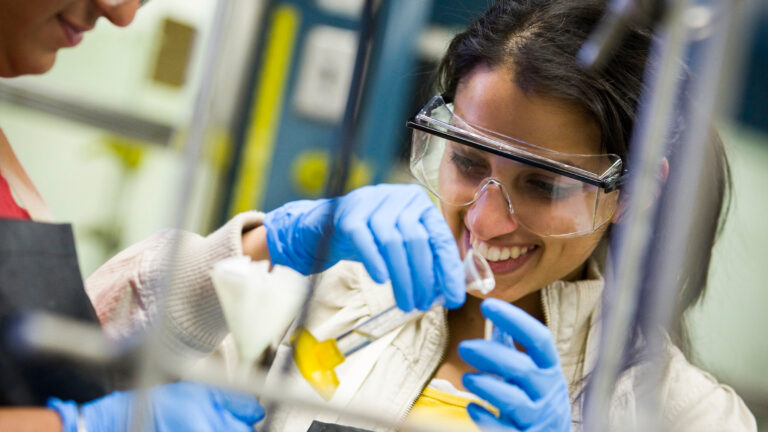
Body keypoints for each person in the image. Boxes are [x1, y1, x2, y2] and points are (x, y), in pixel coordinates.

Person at [53, 1, 758, 432]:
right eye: (469, 164)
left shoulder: (687, 416)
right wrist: (270, 243)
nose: (484, 221)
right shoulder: (327, 290)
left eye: (543, 184)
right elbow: (71, 367)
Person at [0, 1, 463, 430]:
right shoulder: (343, 300)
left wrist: (263, 247)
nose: (120, 13)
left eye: (538, 183)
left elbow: (62, 356)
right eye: (468, 161)